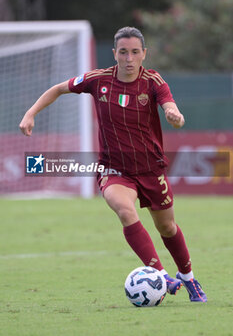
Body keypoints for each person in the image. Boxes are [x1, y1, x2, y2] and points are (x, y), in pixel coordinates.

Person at [19, 26, 207, 302]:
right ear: (114, 54)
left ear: (144, 54)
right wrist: (30, 113)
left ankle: (188, 277)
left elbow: (169, 104)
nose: (128, 58)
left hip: (151, 168)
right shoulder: (98, 80)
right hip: (114, 169)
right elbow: (59, 88)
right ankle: (160, 275)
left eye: (134, 52)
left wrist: (173, 114)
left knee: (167, 227)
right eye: (123, 52)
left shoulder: (153, 81)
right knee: (125, 211)